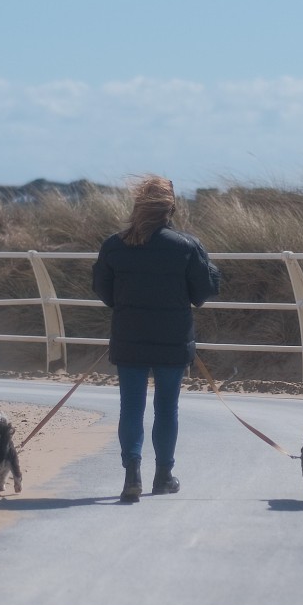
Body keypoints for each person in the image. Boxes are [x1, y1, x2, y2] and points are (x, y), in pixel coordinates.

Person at [92, 175, 221, 502]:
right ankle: (163, 476)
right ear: (170, 208)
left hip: (129, 336)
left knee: (131, 407)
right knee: (166, 407)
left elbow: (104, 293)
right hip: (172, 339)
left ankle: (131, 475)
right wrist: (211, 269)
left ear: (137, 206)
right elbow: (202, 294)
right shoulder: (186, 246)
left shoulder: (114, 245)